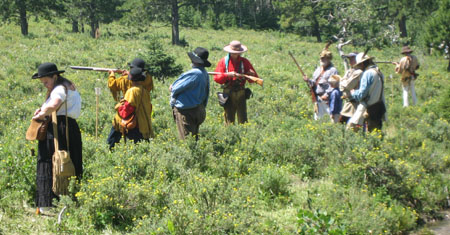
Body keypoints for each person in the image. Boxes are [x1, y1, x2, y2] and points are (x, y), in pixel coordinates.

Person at [31, 62, 82, 214]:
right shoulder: (67, 86)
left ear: (55, 76)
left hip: (58, 128)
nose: (45, 85)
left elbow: (55, 103)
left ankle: (47, 202)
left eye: (46, 81)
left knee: (49, 161)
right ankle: (69, 199)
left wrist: (42, 114)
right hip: (69, 127)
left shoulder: (59, 88)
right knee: (70, 161)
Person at [107, 58, 154, 149]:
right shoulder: (147, 82)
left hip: (131, 117)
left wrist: (112, 75)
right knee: (141, 142)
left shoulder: (130, 88)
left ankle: (109, 150)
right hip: (143, 117)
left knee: (114, 134)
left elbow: (127, 108)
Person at [213, 40, 259, 124]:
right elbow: (217, 79)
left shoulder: (245, 62)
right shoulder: (223, 62)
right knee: (229, 120)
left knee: (243, 119)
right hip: (228, 92)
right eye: (234, 52)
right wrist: (227, 75)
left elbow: (253, 79)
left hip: (241, 92)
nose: (236, 54)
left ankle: (244, 133)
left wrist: (250, 74)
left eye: (238, 52)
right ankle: (230, 134)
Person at [170, 47, 211, 140]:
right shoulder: (204, 73)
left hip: (187, 111)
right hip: (198, 108)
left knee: (186, 140)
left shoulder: (194, 74)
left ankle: (190, 154)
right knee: (194, 138)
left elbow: (175, 88)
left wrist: (171, 87)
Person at [348, 53, 386, 132]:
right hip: (379, 107)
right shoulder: (379, 72)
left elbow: (361, 94)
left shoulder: (368, 73)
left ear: (362, 64)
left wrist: (353, 92)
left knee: (351, 129)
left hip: (368, 107)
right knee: (375, 133)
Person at [303, 44, 339, 120]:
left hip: (327, 100)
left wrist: (326, 95)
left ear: (329, 59)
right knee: (318, 119)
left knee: (332, 119)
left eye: (324, 58)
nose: (322, 60)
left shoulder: (333, 70)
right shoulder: (318, 70)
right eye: (321, 58)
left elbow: (334, 85)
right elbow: (314, 82)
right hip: (317, 98)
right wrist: (308, 80)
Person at [339, 53, 363, 123]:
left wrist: (343, 82)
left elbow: (348, 86)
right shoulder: (349, 71)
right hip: (348, 101)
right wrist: (344, 83)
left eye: (352, 59)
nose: (350, 61)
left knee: (352, 125)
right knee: (343, 123)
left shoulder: (359, 72)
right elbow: (341, 87)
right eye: (349, 59)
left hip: (354, 103)